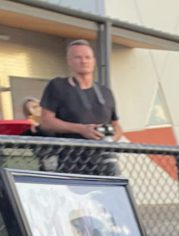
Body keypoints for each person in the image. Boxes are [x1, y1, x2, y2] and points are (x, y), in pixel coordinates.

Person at [39, 39, 122, 175]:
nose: (84, 61)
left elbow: (117, 126)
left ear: (94, 61)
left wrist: (109, 141)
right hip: (71, 163)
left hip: (105, 164)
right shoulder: (57, 86)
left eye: (87, 57)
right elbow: (46, 122)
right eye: (78, 57)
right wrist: (81, 129)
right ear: (69, 61)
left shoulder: (105, 92)